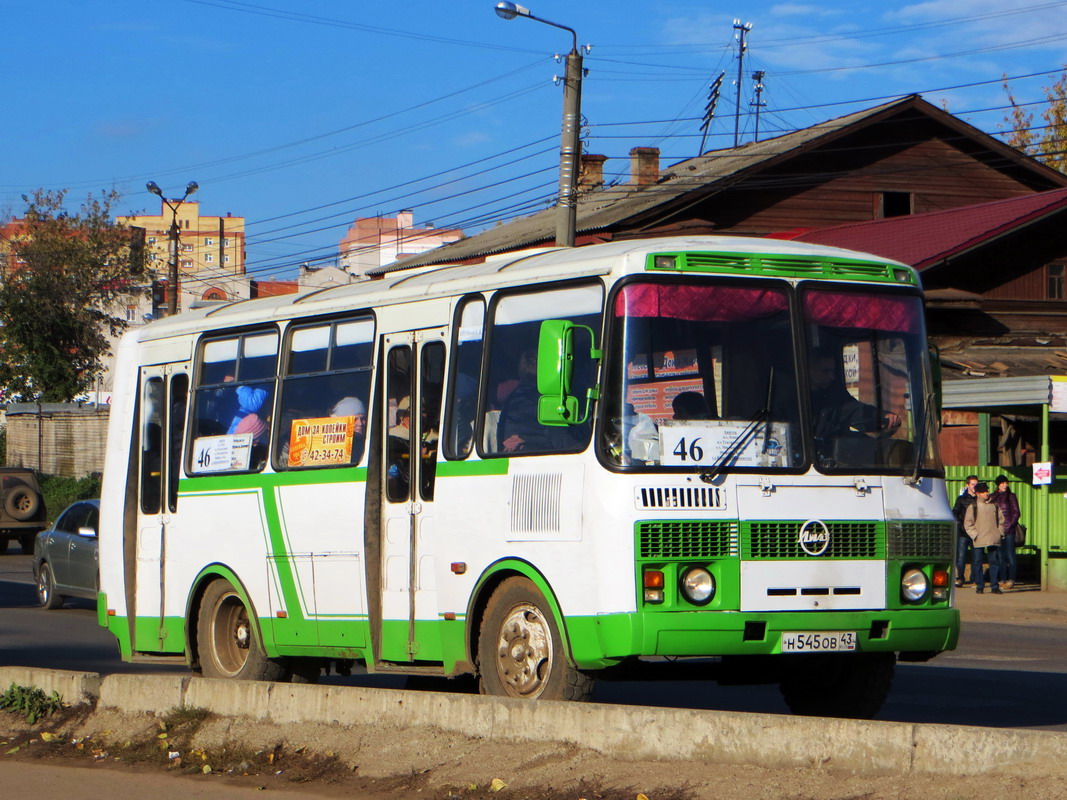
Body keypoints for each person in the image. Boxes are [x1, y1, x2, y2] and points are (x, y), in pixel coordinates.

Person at [808, 349, 901, 443]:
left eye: (833, 372)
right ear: (810, 370)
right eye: (825, 371)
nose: (831, 377)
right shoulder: (796, 401)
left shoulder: (835, 395)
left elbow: (858, 411)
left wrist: (884, 416)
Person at [964, 482, 1004, 594]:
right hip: (979, 538)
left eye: (986, 490)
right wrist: (975, 535)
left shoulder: (994, 505)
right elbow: (968, 523)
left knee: (994, 562)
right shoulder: (973, 507)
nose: (986, 493)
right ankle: (980, 585)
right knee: (977, 562)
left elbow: (1002, 520)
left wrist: (999, 533)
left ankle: (994, 586)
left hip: (993, 537)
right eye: (983, 491)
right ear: (977, 494)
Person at [991, 475, 1021, 590]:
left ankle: (1011, 580)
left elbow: (1016, 513)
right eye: (1002, 483)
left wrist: (1009, 525)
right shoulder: (993, 497)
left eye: (1006, 483)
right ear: (998, 485)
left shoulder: (1011, 496)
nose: (1005, 485)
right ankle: (1002, 579)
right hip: (997, 530)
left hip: (1009, 530)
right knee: (1000, 556)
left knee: (1010, 555)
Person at [952, 475, 979, 587]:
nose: (975, 486)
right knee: (961, 557)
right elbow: (955, 513)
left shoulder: (980, 499)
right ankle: (960, 578)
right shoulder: (961, 499)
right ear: (967, 485)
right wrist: (962, 526)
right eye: (972, 484)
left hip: (976, 532)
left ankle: (974, 579)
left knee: (976, 557)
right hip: (963, 533)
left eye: (976, 484)